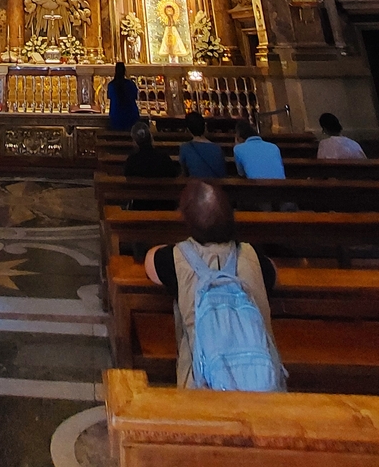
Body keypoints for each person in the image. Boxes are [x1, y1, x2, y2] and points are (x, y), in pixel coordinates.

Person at [144, 180, 282, 389]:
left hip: (204, 390)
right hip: (264, 386)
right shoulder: (254, 257)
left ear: (188, 221)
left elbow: (150, 261)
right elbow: (273, 271)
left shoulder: (174, 257)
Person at [179, 112, 227, 179]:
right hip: (215, 187)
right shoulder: (217, 148)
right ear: (205, 126)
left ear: (188, 130)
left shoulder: (185, 148)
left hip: (195, 187)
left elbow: (184, 173)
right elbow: (222, 174)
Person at [107, 62, 140, 131]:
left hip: (116, 115)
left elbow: (109, 96)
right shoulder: (130, 84)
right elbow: (135, 96)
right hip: (131, 114)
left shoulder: (112, 85)